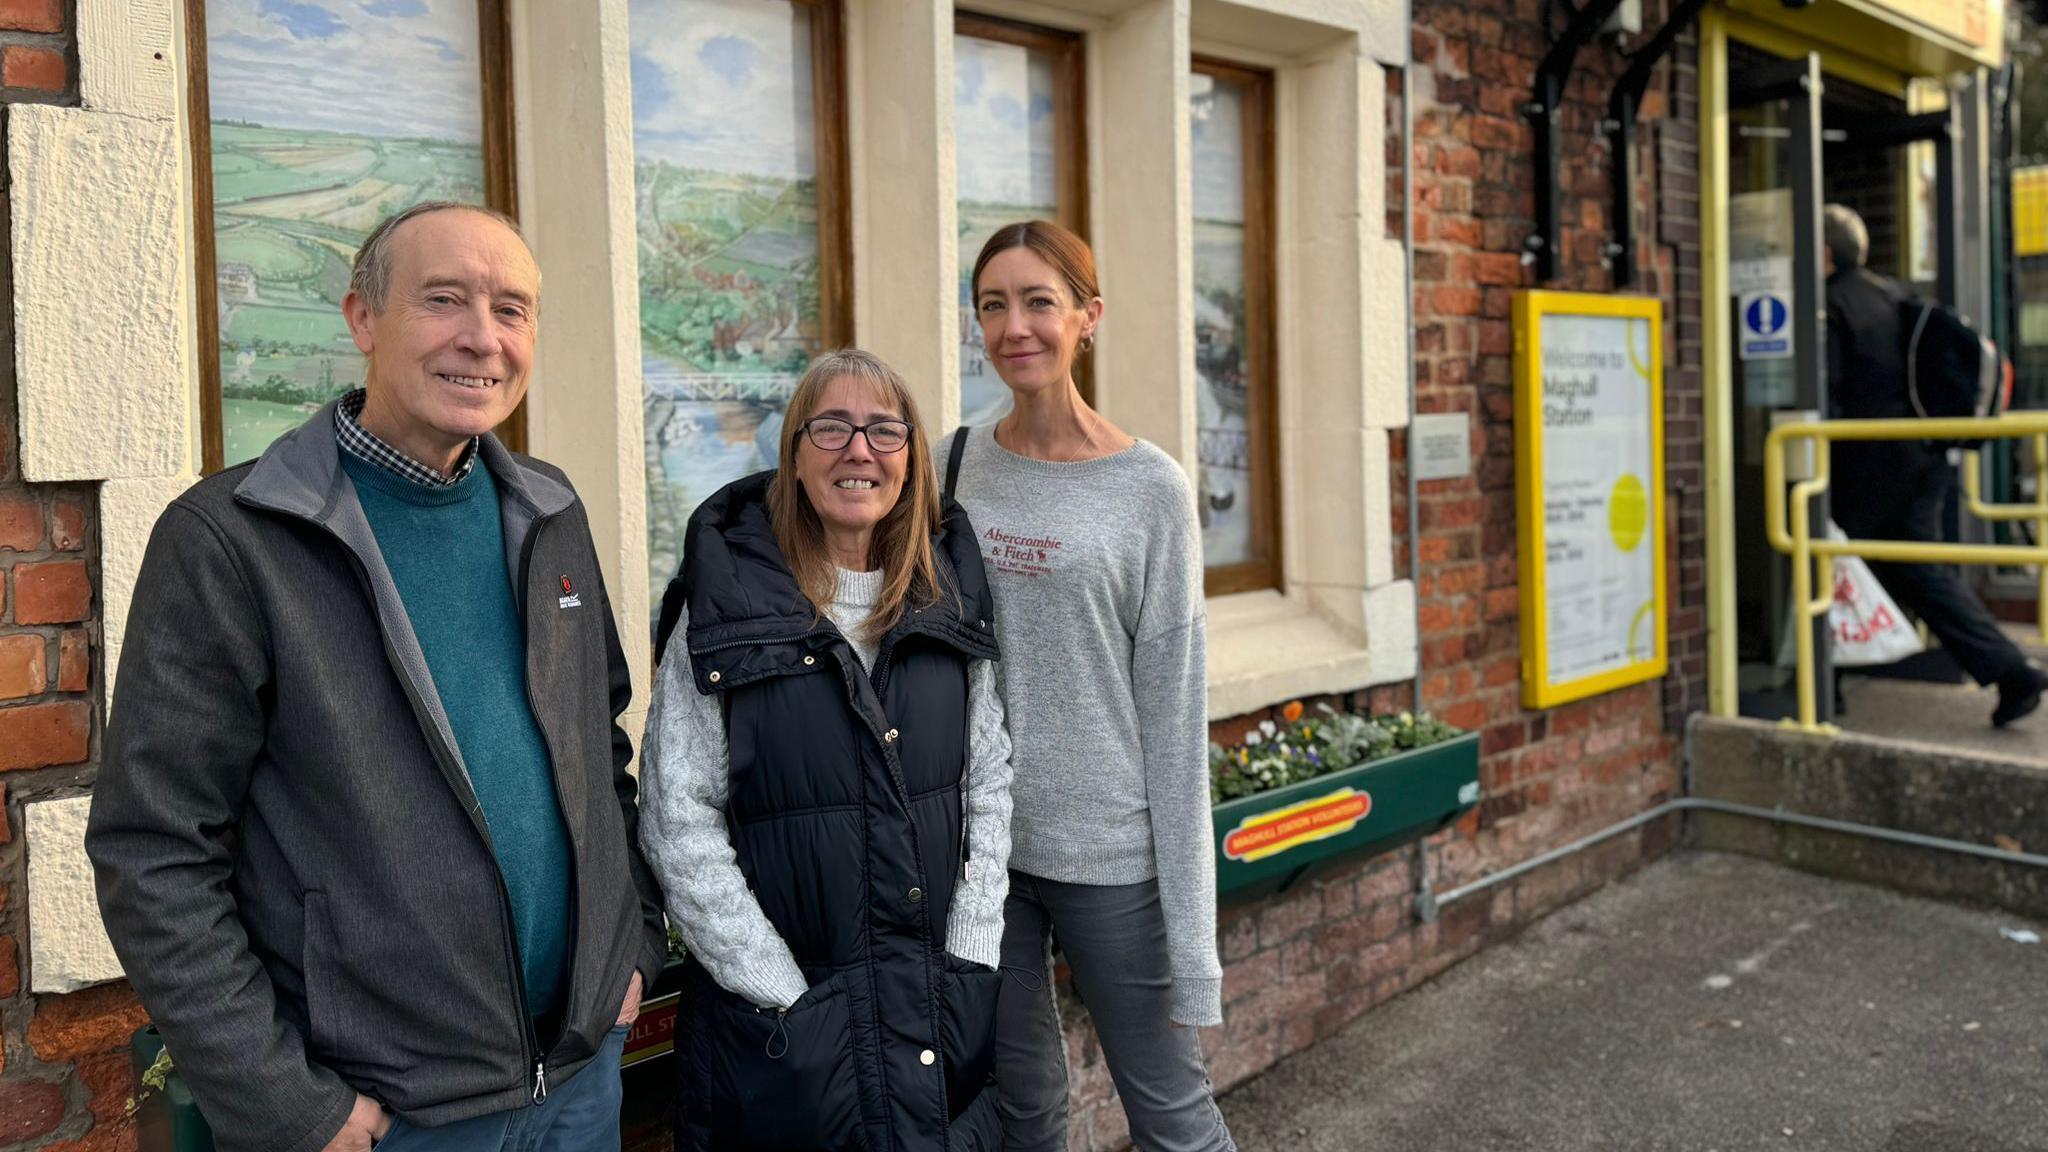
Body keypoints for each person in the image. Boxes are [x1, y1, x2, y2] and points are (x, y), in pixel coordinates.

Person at [88, 202, 669, 1152]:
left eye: (512, 309)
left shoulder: (548, 510)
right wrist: (284, 1102)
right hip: (384, 1115)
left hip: (578, 1079)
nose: (482, 338)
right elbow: (154, 849)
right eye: (444, 300)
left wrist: (628, 948)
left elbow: (598, 753)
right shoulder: (234, 539)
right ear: (364, 318)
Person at [639, 348, 1015, 1151]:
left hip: (937, 1012)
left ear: (911, 458)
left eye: (885, 429)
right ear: (795, 453)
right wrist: (784, 997)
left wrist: (972, 953)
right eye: (833, 426)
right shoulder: (726, 610)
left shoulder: (947, 600)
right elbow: (678, 819)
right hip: (781, 1042)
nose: (859, 450)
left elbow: (987, 780)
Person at [946, 220, 1236, 1152]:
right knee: (1024, 1113)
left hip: (1112, 856)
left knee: (1172, 1115)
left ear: (1088, 318)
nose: (1014, 326)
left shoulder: (1151, 489)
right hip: (986, 852)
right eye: (994, 304)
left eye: (1039, 301)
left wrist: (1192, 940)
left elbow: (1174, 713)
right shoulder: (951, 466)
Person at [1824, 202, 2048, 727]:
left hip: (1865, 469)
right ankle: (2012, 670)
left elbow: (1826, 397)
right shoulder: (1897, 294)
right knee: (1921, 574)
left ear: (1825, 252)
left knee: (1823, 563)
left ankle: (1820, 689)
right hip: (1922, 461)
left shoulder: (1830, 305)